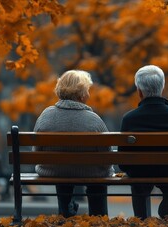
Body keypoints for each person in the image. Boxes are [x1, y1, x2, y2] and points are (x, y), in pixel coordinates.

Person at [118, 65, 168, 220]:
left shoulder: (129, 118)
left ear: (139, 91)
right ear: (162, 88)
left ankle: (141, 218)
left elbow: (123, 159)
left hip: (140, 172)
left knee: (138, 176)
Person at [33, 70, 114, 217]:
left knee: (62, 166)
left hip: (54, 170)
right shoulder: (94, 120)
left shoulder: (45, 116)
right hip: (91, 173)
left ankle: (65, 212)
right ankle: (98, 215)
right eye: (87, 91)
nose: (89, 95)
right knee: (99, 175)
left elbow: (37, 152)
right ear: (81, 95)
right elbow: (107, 157)